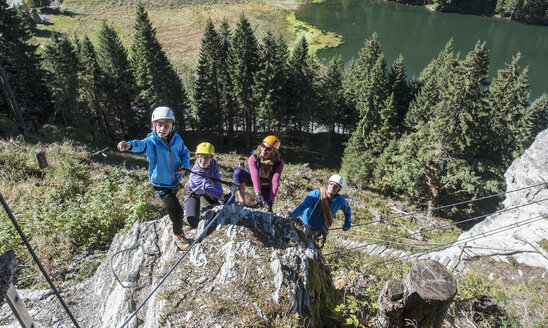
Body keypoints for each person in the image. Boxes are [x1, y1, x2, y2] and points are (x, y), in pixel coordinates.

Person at [117, 106, 191, 251]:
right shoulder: (152, 142)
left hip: (174, 181)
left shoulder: (177, 139)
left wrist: (184, 165)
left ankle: (174, 221)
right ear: (153, 126)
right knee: (176, 209)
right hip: (160, 184)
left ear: (171, 127)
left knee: (175, 208)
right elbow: (142, 145)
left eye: (166, 126)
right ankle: (177, 234)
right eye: (159, 125)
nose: (162, 128)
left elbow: (185, 153)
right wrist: (130, 145)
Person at [289, 174, 351, 247]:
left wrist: (347, 224)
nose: (333, 187)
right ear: (328, 184)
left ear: (339, 189)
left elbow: (347, 210)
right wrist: (292, 217)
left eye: (336, 186)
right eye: (331, 184)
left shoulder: (340, 201)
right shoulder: (316, 195)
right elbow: (303, 206)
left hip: (319, 231)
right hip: (304, 227)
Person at [182, 142, 233, 229]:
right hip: (192, 192)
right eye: (200, 156)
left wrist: (221, 199)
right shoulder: (195, 172)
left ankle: (205, 208)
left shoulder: (213, 164)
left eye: (207, 157)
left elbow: (217, 181)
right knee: (192, 220)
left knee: (223, 205)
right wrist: (221, 195)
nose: (203, 160)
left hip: (207, 191)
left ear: (211, 158)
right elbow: (206, 187)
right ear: (196, 157)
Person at [233, 135, 284, 212]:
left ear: (274, 151)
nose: (264, 149)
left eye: (268, 149)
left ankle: (257, 206)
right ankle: (242, 203)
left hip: (266, 186)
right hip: (252, 180)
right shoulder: (253, 157)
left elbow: (275, 181)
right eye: (263, 146)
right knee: (238, 172)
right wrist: (258, 194)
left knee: (264, 204)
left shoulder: (279, 163)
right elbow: (255, 176)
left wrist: (271, 199)